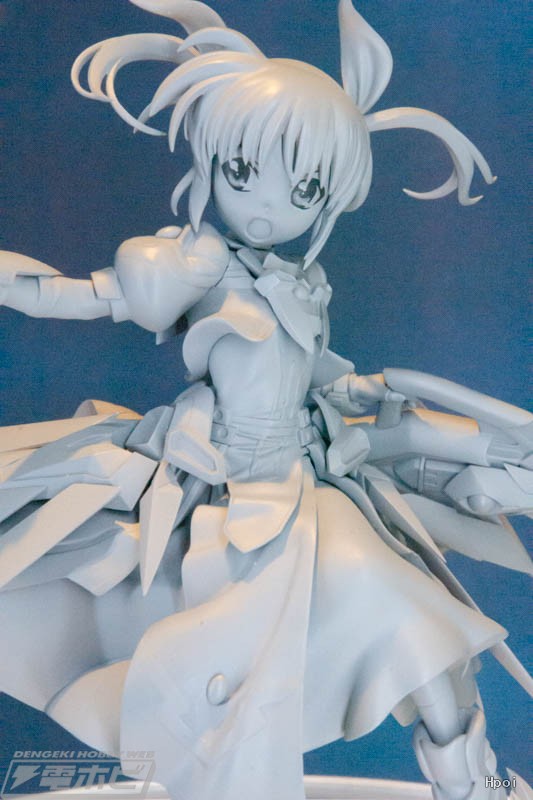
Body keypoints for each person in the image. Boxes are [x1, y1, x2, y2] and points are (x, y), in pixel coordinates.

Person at [0, 2, 531, 799]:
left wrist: (459, 436)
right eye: (242, 171)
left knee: (418, 623)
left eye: (303, 187)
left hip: (304, 488)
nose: (264, 203)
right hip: (223, 491)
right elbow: (82, 296)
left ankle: (472, 785)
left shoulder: (303, 284)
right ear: (212, 161)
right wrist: (20, 285)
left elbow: (323, 384)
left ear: (328, 198)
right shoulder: (196, 264)